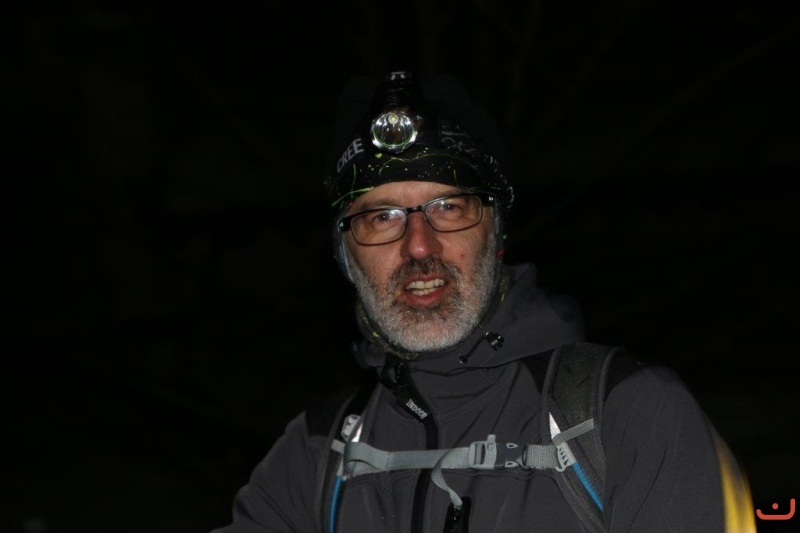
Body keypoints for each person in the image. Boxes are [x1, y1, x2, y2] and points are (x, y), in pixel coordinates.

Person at [211, 71, 756, 532]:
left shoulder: (629, 414)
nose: (418, 246)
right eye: (381, 217)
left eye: (448, 207)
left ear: (496, 232)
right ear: (345, 256)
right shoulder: (315, 455)